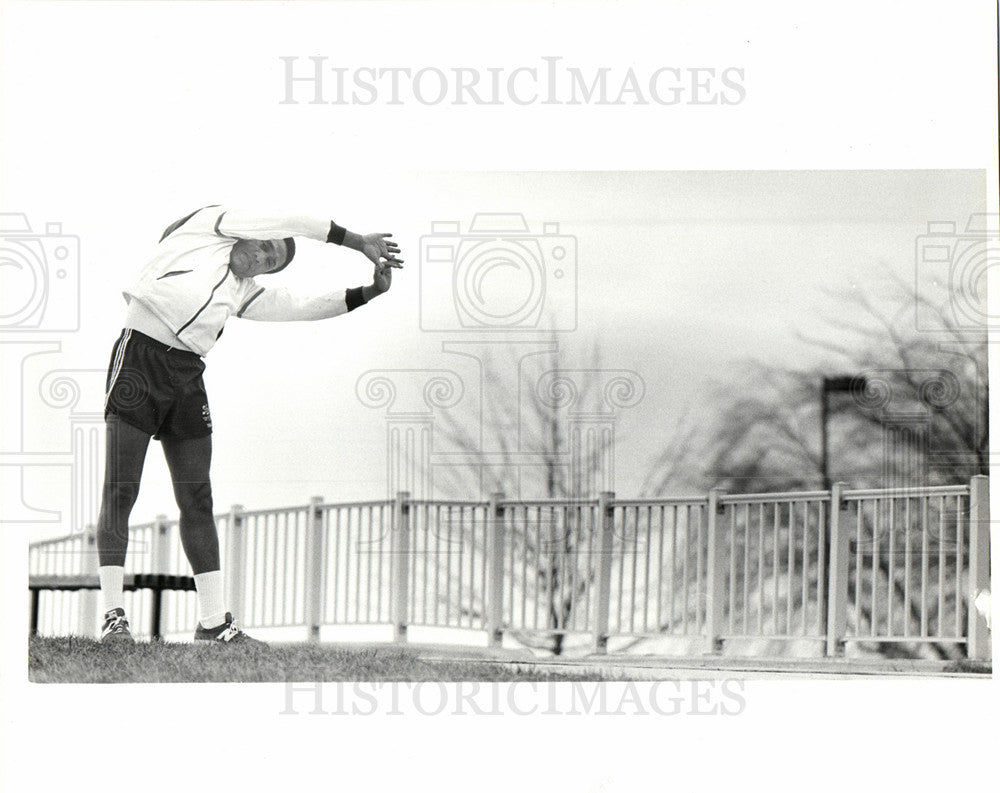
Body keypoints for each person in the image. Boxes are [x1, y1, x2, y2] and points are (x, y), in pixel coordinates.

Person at [97, 206, 402, 646]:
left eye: (271, 261)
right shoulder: (210, 230)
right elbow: (294, 219)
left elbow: (302, 307)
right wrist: (357, 242)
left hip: (186, 375)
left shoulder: (243, 293)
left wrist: (369, 290)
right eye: (265, 246)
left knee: (197, 497)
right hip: (140, 358)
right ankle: (113, 616)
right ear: (252, 232)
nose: (262, 257)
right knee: (121, 488)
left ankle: (213, 622)